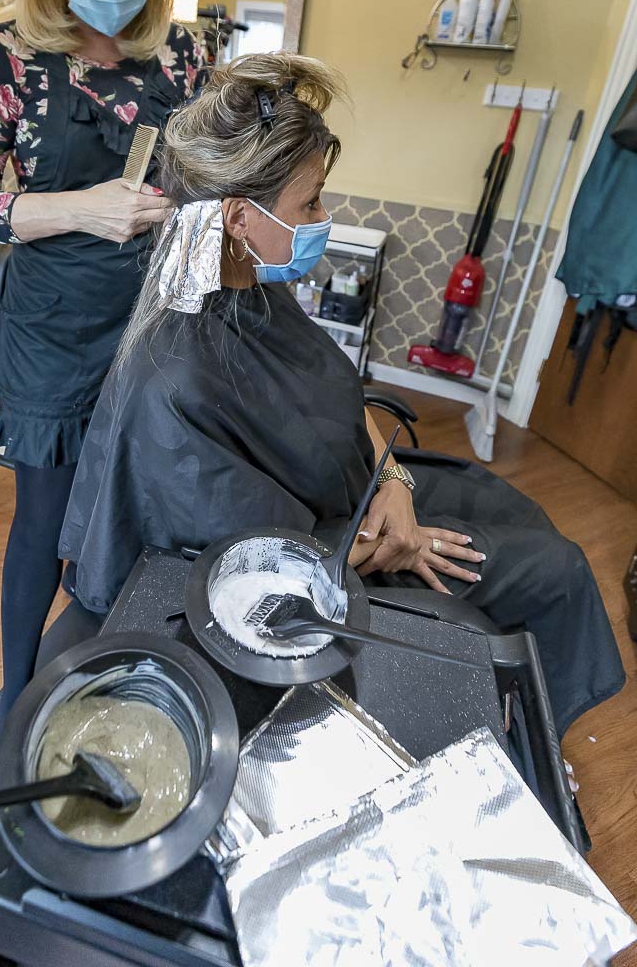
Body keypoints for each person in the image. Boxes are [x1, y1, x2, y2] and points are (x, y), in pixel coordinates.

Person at [60, 52, 625, 751]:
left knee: (521, 516)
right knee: (557, 570)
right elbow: (262, 562)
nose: (326, 217)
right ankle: (537, 748)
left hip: (364, 492)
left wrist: (396, 483)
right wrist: (400, 538)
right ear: (240, 217)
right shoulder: (173, 383)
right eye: (313, 202)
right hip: (327, 557)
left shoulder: (252, 286)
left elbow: (334, 388)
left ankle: (530, 716)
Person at [0, 0, 204, 844]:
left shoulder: (182, 54)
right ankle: (14, 727)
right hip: (49, 329)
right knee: (43, 531)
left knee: (136, 517)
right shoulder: (4, 58)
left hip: (148, 325)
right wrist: (75, 208)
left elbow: (203, 179)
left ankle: (116, 697)